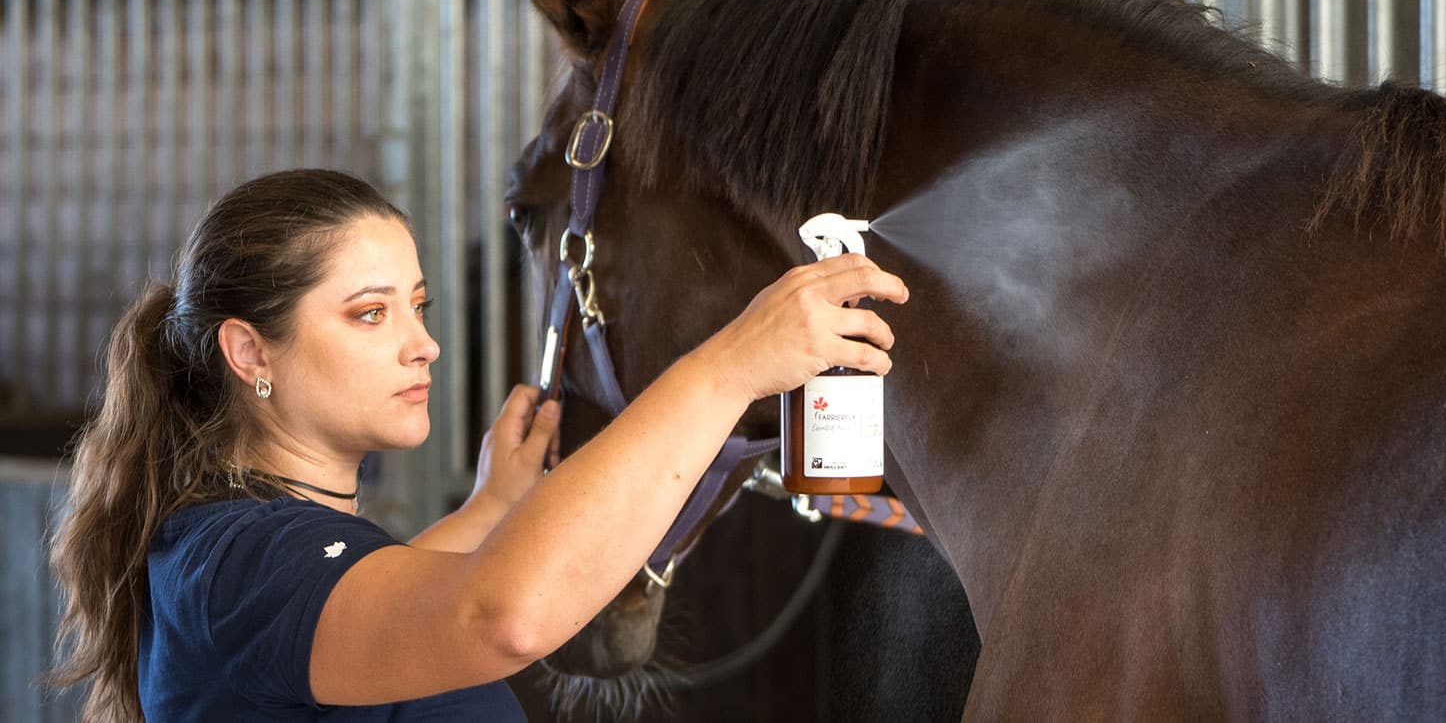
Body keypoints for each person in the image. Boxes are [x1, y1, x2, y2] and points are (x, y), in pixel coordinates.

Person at [47, 168, 907, 721]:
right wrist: (728, 366)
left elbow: (376, 609)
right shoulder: (237, 562)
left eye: (416, 306)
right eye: (370, 313)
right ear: (249, 352)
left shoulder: (247, 551)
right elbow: (499, 615)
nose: (421, 343)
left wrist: (491, 507)